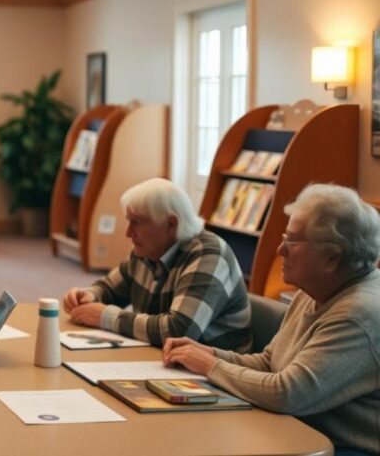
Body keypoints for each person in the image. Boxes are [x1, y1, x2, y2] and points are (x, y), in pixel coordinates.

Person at [163, 184, 380, 456]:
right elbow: (270, 363)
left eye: (291, 241)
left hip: (341, 448)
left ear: (331, 257)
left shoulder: (357, 314)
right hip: (300, 429)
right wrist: (206, 353)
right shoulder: (316, 289)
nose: (280, 250)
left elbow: (287, 393)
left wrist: (210, 365)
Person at [62, 178, 251, 351]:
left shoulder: (209, 255)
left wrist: (106, 317)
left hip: (215, 374)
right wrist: (89, 295)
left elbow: (179, 330)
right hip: (164, 358)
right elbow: (109, 289)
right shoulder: (148, 250)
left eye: (136, 223)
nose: (128, 233)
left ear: (170, 224)